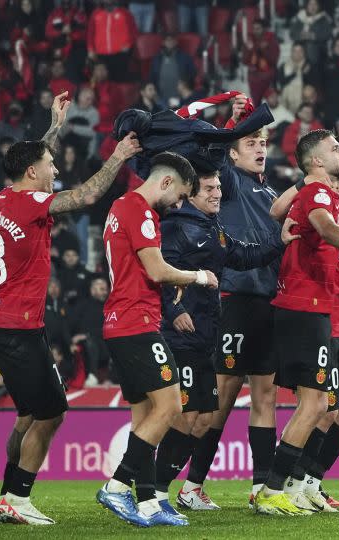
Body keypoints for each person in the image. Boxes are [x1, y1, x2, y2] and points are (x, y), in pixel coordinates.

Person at [0, 92, 141, 525]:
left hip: (0, 322)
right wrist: (120, 154)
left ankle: (6, 493)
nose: (55, 170)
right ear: (33, 173)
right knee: (53, 413)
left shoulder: (1, 199)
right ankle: (17, 498)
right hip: (18, 325)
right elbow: (88, 195)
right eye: (50, 165)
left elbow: (28, 159)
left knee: (28, 414)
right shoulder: (32, 203)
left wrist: (54, 126)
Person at [253, 129, 339, 516]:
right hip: (306, 308)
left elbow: (283, 212)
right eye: (334, 150)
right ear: (316, 161)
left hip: (314, 309)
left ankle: (287, 487)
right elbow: (325, 227)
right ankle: (273, 490)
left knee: (320, 407)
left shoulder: (328, 195)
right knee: (315, 405)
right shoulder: (317, 194)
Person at [152, 167, 296, 513]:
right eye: (210, 189)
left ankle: (170, 491)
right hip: (181, 333)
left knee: (202, 416)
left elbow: (245, 255)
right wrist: (174, 313)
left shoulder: (213, 230)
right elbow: (156, 274)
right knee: (184, 416)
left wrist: (280, 240)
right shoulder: (176, 227)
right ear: (190, 194)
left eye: (218, 187)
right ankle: (152, 492)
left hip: (206, 332)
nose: (217, 193)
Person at [96, 152, 217, 527]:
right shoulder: (140, 211)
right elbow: (156, 268)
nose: (179, 204)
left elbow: (144, 270)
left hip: (122, 322)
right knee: (170, 408)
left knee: (145, 415)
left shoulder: (120, 206)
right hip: (137, 323)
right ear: (165, 182)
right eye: (180, 195)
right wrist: (198, 277)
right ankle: (117, 487)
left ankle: (147, 500)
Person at [189, 98, 281, 509]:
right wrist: (233, 119)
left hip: (267, 302)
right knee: (222, 398)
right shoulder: (228, 180)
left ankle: (263, 487)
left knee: (265, 397)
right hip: (233, 299)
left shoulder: (273, 193)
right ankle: (192, 485)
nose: (260, 149)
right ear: (234, 152)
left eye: (263, 142)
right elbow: (210, 150)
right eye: (251, 143)